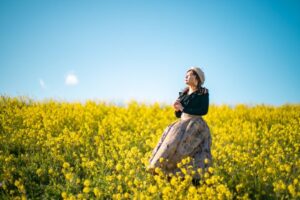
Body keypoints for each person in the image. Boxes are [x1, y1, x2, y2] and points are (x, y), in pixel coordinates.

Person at [148, 67, 212, 181]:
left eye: (189, 75)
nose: (185, 77)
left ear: (197, 78)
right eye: (185, 75)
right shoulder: (184, 93)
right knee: (170, 147)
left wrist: (183, 108)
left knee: (193, 154)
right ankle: (165, 175)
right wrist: (177, 109)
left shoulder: (203, 92)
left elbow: (203, 110)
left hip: (196, 126)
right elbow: (179, 115)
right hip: (182, 123)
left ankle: (191, 180)